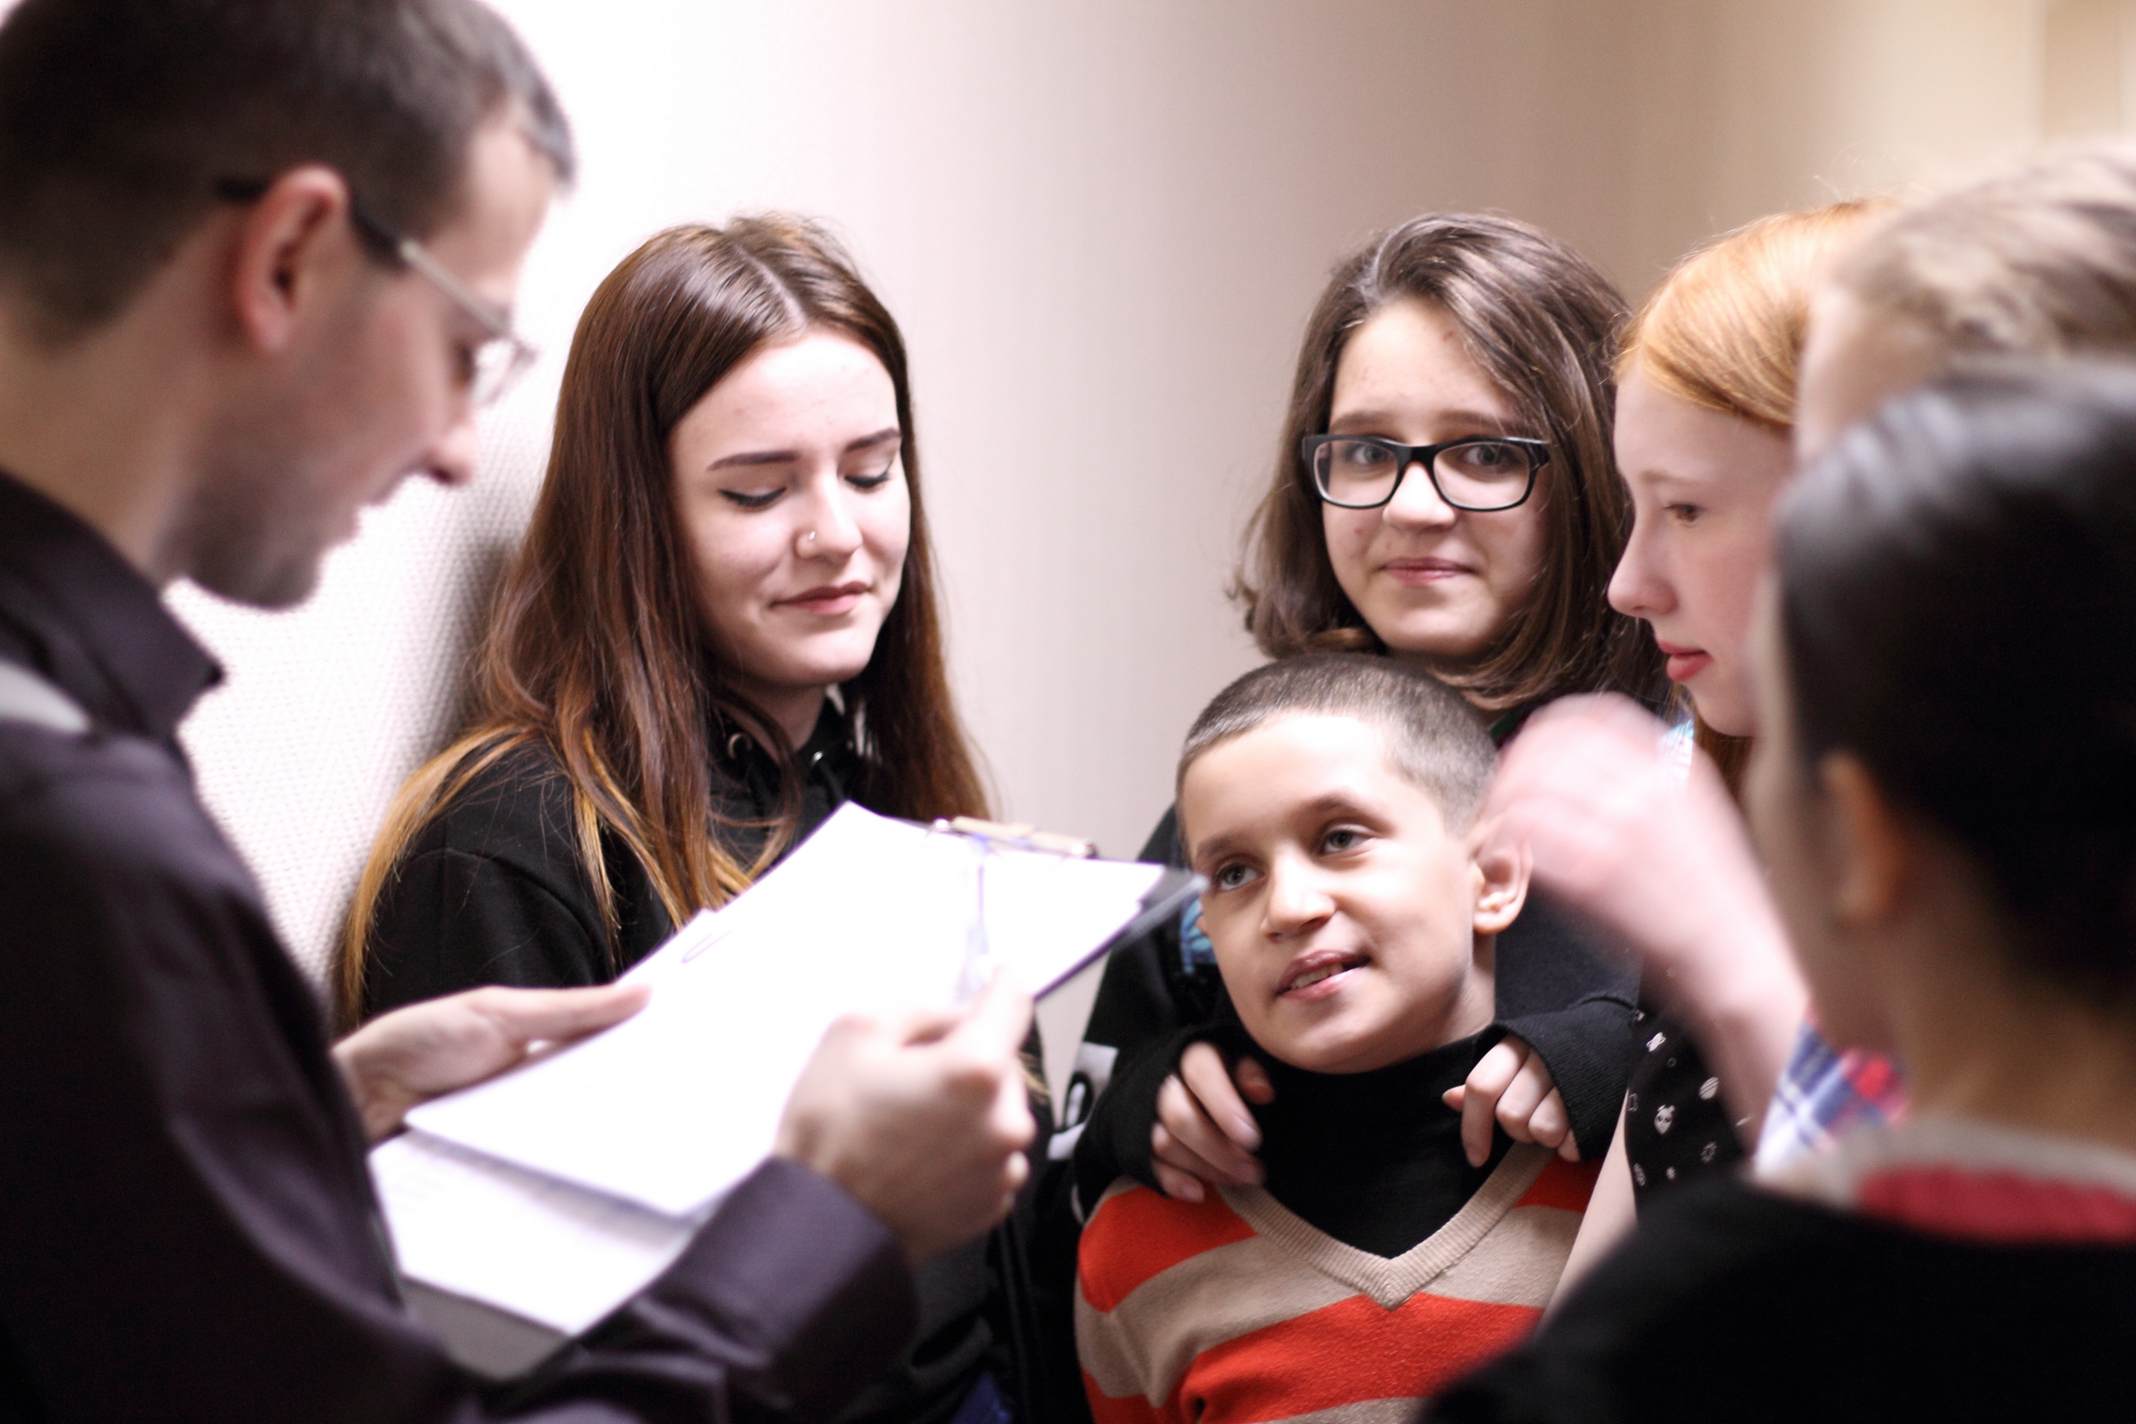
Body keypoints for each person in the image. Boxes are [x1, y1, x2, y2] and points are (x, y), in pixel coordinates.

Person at [0, 3, 1033, 1419]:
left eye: (872, 470)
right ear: (287, 257)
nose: (452, 452)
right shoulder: (73, 832)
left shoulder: (74, 777)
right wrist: (833, 1217)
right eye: (465, 342)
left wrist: (329, 1108)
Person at [336, 216, 1036, 1424]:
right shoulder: (514, 839)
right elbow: (511, 1344)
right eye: (758, 490)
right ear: (638, 518)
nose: (836, 534)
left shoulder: (870, 792)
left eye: (872, 471)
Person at [1433, 360, 2136, 1422]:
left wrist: (1736, 969)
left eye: (1687, 507)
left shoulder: (1724, 1315)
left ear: (1862, 838)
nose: (1631, 582)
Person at [1061, 213, 1662, 1223]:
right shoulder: (1237, 802)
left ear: (1596, 475)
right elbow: (1062, 1214)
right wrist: (1141, 1106)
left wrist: (1634, 1072)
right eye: (1368, 451)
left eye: (1484, 453)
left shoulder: (1702, 786)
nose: (1412, 507)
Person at [1076, 655, 1598, 1423]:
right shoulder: (1134, 1247)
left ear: (1490, 874)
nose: (1288, 907)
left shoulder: (1629, 1177)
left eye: (1340, 838)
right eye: (1234, 874)